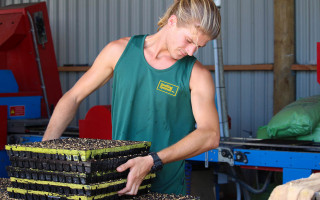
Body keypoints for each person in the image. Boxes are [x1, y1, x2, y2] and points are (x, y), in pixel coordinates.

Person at [42, 0, 221, 196]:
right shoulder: (118, 52)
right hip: (119, 185)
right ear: (172, 21)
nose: (191, 51)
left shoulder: (197, 74)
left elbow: (210, 134)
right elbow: (73, 97)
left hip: (166, 191)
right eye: (189, 40)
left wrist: (152, 160)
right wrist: (43, 153)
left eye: (198, 46)